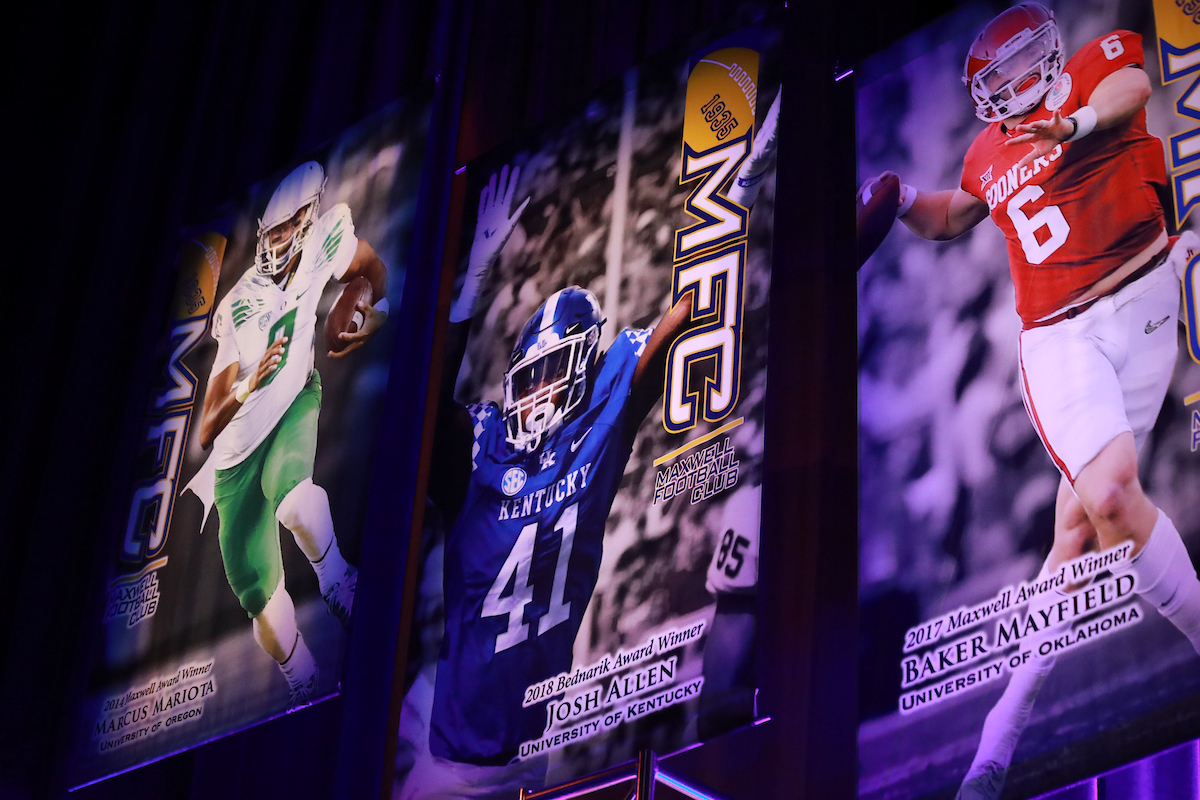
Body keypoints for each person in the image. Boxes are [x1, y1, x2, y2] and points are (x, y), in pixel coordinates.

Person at [398, 92, 779, 798]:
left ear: (584, 368)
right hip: (446, 760)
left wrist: (739, 200)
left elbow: (683, 314)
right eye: (529, 376)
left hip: (529, 757)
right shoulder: (483, 445)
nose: (537, 392)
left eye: (552, 373)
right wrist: (469, 288)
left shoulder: (602, 409)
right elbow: (417, 415)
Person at [866, 5, 1200, 798]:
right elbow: (955, 215)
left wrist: (1072, 124)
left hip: (1148, 298)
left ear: (1049, 53)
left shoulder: (1092, 67)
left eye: (1024, 64)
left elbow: (1130, 87)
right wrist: (904, 196)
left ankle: (998, 740)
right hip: (1060, 336)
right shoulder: (987, 150)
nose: (1016, 85)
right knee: (1110, 498)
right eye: (1000, 77)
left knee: (1075, 537)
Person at [186, 160, 389, 708]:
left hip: (295, 400)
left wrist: (378, 308)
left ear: (307, 218)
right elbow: (207, 427)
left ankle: (337, 580)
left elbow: (371, 269)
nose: (274, 242)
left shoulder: (327, 236)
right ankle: (303, 675)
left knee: (296, 500)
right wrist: (248, 383)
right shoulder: (238, 304)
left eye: (283, 229)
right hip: (235, 459)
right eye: (269, 232)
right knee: (262, 601)